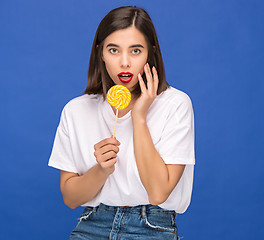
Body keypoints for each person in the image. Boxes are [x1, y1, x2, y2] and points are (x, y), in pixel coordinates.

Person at [48, 6, 195, 240]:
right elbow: (70, 197)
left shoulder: (175, 104)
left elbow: (158, 193)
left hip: (152, 227)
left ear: (151, 53)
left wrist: (139, 118)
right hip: (92, 225)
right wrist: (101, 170)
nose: (124, 63)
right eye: (114, 50)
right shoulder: (76, 110)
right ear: (100, 53)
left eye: (135, 50)